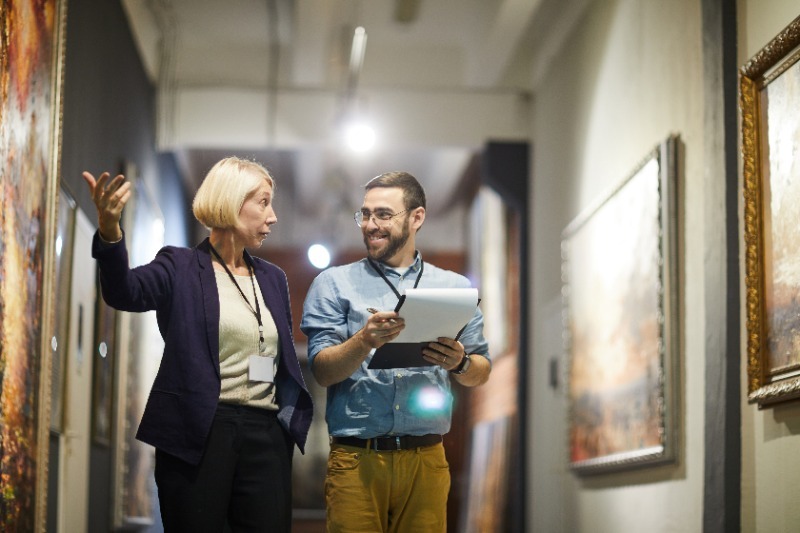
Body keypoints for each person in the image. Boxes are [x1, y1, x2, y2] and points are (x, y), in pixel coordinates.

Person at [83, 156, 312, 532]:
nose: (272, 217)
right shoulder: (180, 265)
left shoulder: (273, 278)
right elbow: (124, 292)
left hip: (266, 432)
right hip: (200, 431)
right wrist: (110, 232)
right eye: (263, 202)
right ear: (230, 201)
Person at [300, 171, 491, 532]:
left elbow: (482, 369)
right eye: (365, 214)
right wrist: (364, 341)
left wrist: (461, 362)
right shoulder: (332, 283)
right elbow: (322, 371)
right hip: (356, 460)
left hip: (427, 460)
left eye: (384, 214)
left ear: (416, 217)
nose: (371, 224)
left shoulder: (453, 286)